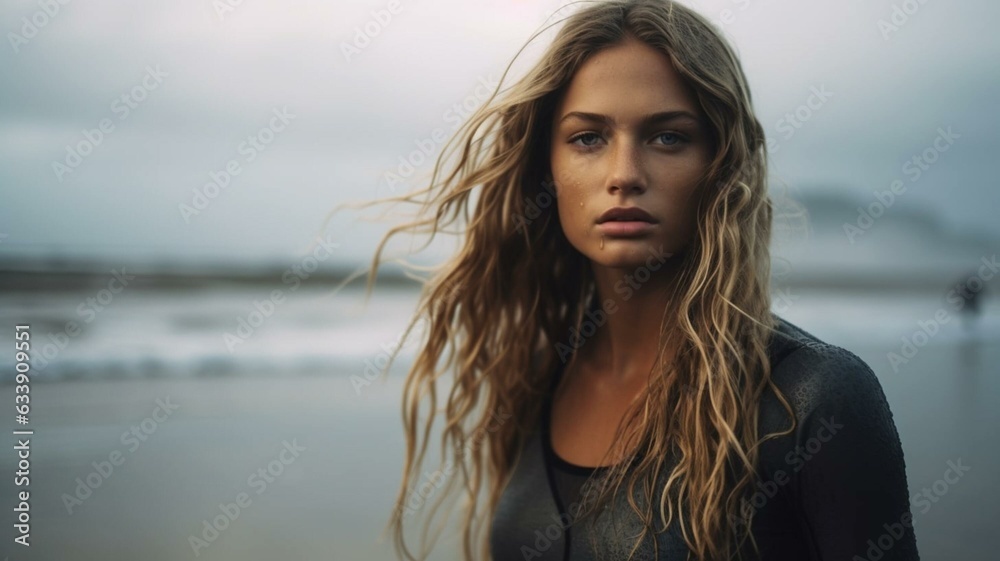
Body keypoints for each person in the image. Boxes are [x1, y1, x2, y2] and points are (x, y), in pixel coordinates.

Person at [339, 1, 920, 559]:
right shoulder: (538, 378)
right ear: (548, 165)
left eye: (668, 136)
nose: (624, 174)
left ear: (722, 164)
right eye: (587, 138)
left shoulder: (811, 396)